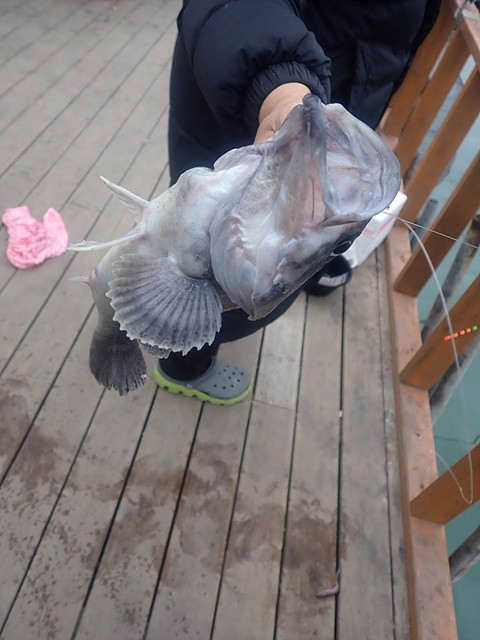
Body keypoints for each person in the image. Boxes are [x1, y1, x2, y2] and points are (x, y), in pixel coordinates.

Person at [154, 0, 442, 405]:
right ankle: (183, 365)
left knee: (260, 279)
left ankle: (313, 265)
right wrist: (277, 90)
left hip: (330, 98)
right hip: (245, 100)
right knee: (201, 277)